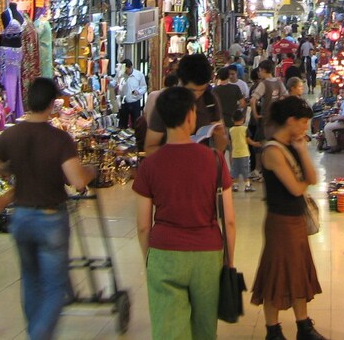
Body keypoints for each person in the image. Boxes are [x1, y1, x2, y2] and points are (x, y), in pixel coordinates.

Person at [0, 77, 94, 340]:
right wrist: (90, 172)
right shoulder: (60, 139)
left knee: (30, 280)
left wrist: (7, 168)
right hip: (51, 218)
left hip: (22, 218)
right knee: (54, 287)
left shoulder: (11, 135)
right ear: (52, 104)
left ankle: (34, 330)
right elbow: (76, 180)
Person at [134, 86, 236, 340]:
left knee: (169, 331)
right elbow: (230, 221)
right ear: (191, 116)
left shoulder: (150, 165)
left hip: (164, 253)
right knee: (204, 330)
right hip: (208, 254)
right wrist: (228, 262)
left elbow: (143, 225)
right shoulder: (214, 160)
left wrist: (151, 258)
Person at [251, 97, 327, 340]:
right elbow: (296, 188)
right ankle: (273, 330)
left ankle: (303, 325)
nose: (306, 127)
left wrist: (303, 150)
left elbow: (312, 178)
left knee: (298, 272)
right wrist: (303, 182)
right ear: (291, 121)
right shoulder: (271, 150)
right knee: (277, 274)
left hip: (295, 220)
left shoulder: (293, 146)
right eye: (303, 122)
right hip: (280, 221)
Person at [145, 54, 228, 154]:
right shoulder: (167, 102)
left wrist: (220, 136)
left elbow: (220, 148)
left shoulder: (210, 100)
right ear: (181, 82)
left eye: (202, 89)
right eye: (192, 90)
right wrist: (180, 153)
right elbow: (150, 148)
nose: (197, 95)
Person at [251, 59, 287, 142]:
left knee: (263, 142)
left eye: (259, 71)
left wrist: (255, 115)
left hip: (266, 117)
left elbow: (253, 100)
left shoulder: (264, 83)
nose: (259, 73)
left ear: (263, 70)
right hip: (277, 117)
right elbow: (285, 96)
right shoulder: (279, 82)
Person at [229, 109, 260, 192]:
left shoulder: (231, 130)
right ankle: (247, 185)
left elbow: (231, 143)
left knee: (235, 170)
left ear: (232, 119)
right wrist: (255, 143)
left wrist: (231, 154)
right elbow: (248, 140)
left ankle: (235, 185)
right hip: (244, 154)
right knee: (245, 170)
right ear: (243, 119)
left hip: (235, 154)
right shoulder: (245, 129)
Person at [113, 59, 148, 129]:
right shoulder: (120, 74)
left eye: (127, 69)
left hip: (135, 102)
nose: (125, 71)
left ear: (131, 67)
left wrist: (138, 92)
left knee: (136, 123)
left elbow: (144, 87)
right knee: (122, 123)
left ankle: (134, 138)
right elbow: (114, 83)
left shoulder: (139, 75)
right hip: (123, 102)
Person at [323, 86, 344, 153]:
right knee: (328, 124)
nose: (341, 94)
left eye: (342, 93)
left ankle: (333, 146)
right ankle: (331, 144)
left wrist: (333, 118)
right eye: (340, 93)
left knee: (327, 127)